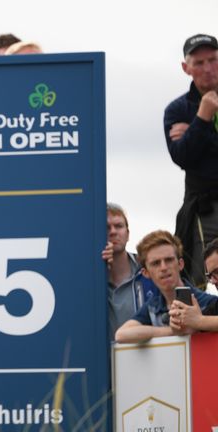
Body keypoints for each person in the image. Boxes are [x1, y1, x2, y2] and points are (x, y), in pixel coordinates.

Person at [164, 34, 218, 288]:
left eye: (213, 60)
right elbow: (182, 157)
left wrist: (194, 131)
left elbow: (194, 152)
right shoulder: (177, 109)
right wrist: (203, 117)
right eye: (199, 63)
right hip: (203, 208)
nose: (207, 68)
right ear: (186, 68)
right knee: (198, 279)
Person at [115, 230, 218, 344]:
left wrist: (199, 322)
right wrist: (173, 331)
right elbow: (121, 335)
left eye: (168, 260)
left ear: (180, 264)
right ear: (145, 273)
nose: (163, 267)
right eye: (156, 263)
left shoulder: (208, 302)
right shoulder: (152, 307)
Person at [101, 203, 156, 337]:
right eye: (106, 227)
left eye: (119, 226)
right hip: (102, 357)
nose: (113, 232)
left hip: (145, 354)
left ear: (128, 234)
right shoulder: (89, 275)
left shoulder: (150, 270)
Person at [169, 238, 218, 334]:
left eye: (217, 272)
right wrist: (179, 324)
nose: (213, 281)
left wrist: (200, 321)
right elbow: (194, 328)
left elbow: (200, 321)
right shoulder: (215, 307)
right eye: (210, 276)